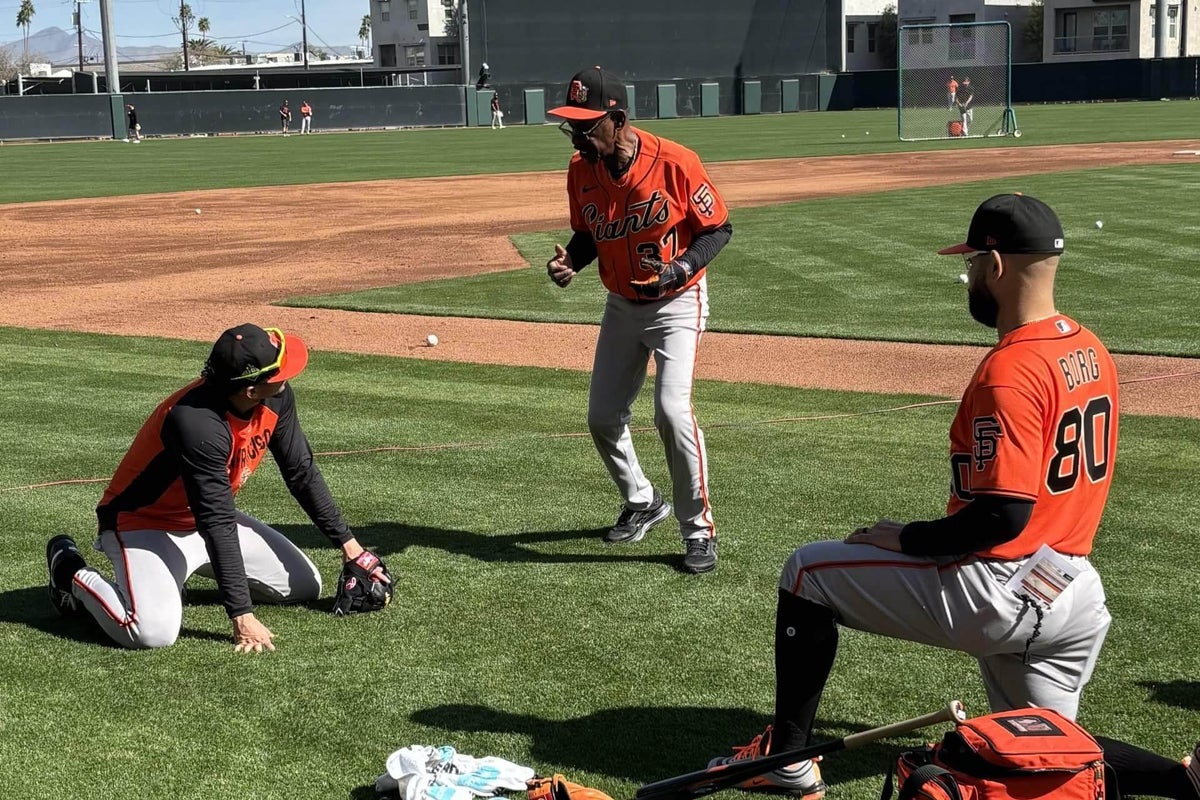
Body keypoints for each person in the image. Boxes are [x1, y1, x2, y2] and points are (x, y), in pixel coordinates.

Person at [706, 194, 1120, 796]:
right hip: (1073, 594)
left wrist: (908, 537)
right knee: (1049, 762)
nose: (970, 276)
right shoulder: (1092, 350)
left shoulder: (1011, 369)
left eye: (974, 262)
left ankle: (788, 761)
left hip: (996, 592)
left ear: (996, 267)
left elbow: (1003, 515)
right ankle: (1184, 780)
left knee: (806, 573)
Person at [45, 324, 390, 653]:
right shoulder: (196, 422)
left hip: (203, 520)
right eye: (278, 372)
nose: (287, 376)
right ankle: (70, 570)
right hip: (143, 526)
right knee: (151, 631)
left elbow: (301, 471)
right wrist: (241, 615)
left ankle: (173, 577)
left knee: (303, 585)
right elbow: (216, 520)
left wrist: (352, 549)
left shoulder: (274, 398)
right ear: (250, 390)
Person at [545, 66, 733, 574]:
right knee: (602, 417)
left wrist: (682, 267)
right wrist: (571, 264)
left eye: (586, 125)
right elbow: (589, 234)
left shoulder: (675, 162)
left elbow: (718, 229)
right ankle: (642, 500)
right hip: (622, 305)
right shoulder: (580, 171)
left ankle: (699, 532)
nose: (578, 136)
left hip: (677, 302)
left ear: (618, 119)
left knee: (672, 413)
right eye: (572, 125)